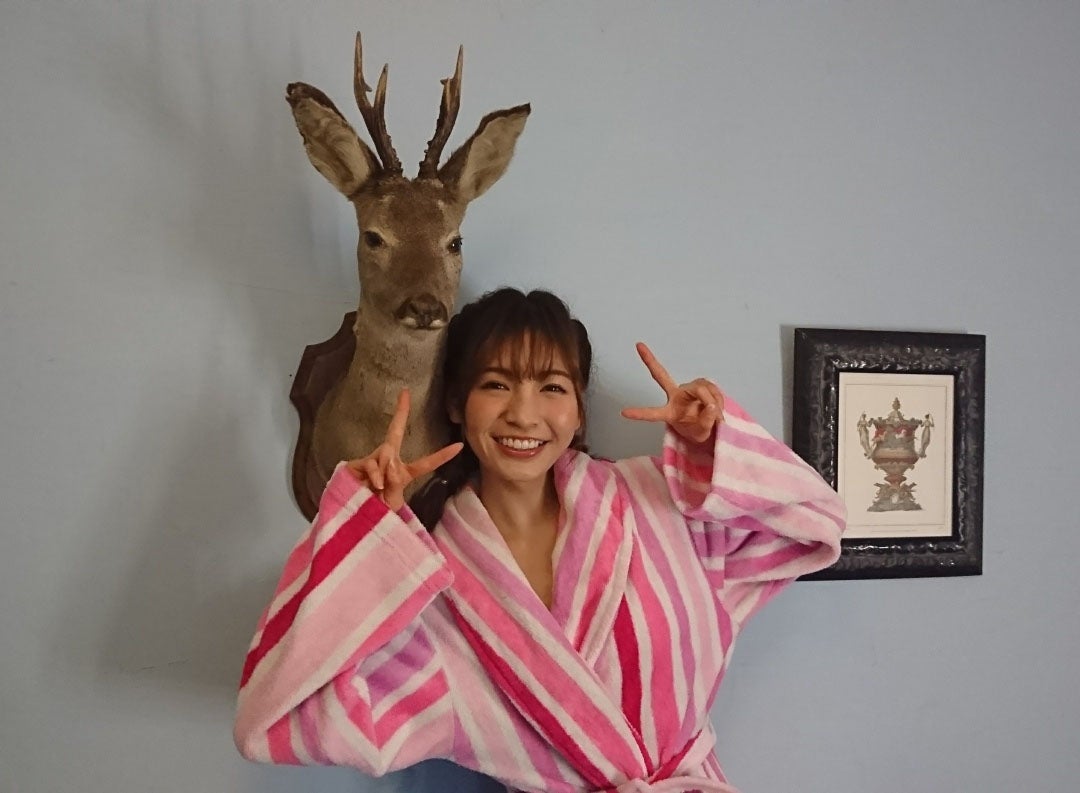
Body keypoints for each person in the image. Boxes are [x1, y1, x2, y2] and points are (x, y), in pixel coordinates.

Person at [234, 288, 845, 792]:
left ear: (578, 411)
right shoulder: (433, 586)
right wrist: (363, 536)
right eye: (496, 385)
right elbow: (280, 715)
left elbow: (816, 522)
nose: (524, 415)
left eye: (552, 387)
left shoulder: (660, 504)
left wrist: (713, 446)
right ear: (456, 403)